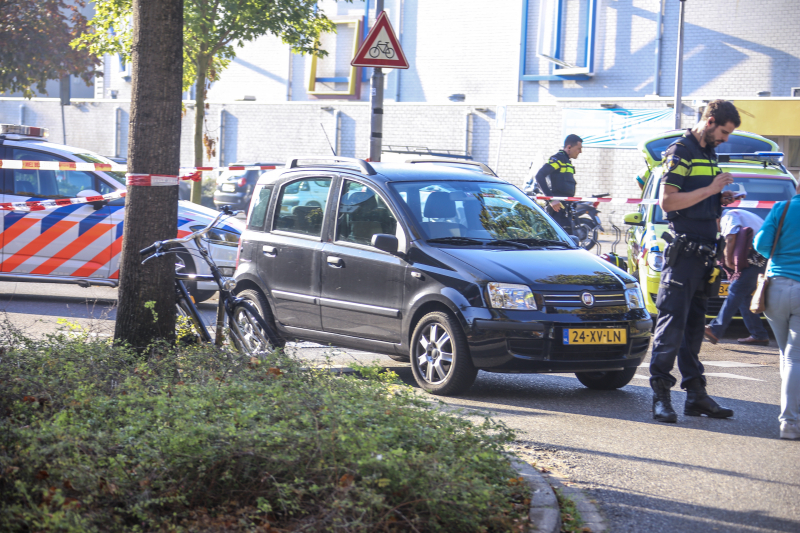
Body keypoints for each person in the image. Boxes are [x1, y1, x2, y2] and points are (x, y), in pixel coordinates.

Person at [649, 100, 739, 423]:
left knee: (693, 330)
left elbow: (698, 196)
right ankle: (660, 396)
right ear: (711, 121)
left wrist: (718, 197)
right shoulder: (681, 150)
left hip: (704, 255)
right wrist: (712, 188)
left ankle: (695, 396)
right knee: (671, 325)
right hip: (684, 253)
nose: (726, 139)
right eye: (724, 132)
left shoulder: (709, 153)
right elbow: (668, 201)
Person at [754, 180, 800, 440]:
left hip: (775, 289)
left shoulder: (781, 208)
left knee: (787, 354)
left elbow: (761, 245)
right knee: (795, 357)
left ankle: (791, 416)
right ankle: (790, 421)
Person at [704, 209, 770, 346]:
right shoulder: (739, 214)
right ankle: (759, 334)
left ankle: (715, 329)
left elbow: (730, 238)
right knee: (743, 296)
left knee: (735, 290)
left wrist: (728, 261)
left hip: (759, 259)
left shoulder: (729, 216)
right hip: (761, 258)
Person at [534, 134, 582, 229]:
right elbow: (539, 176)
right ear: (569, 147)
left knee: (568, 237)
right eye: (578, 148)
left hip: (564, 207)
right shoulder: (558, 159)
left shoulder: (567, 161)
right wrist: (551, 199)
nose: (580, 152)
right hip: (556, 209)